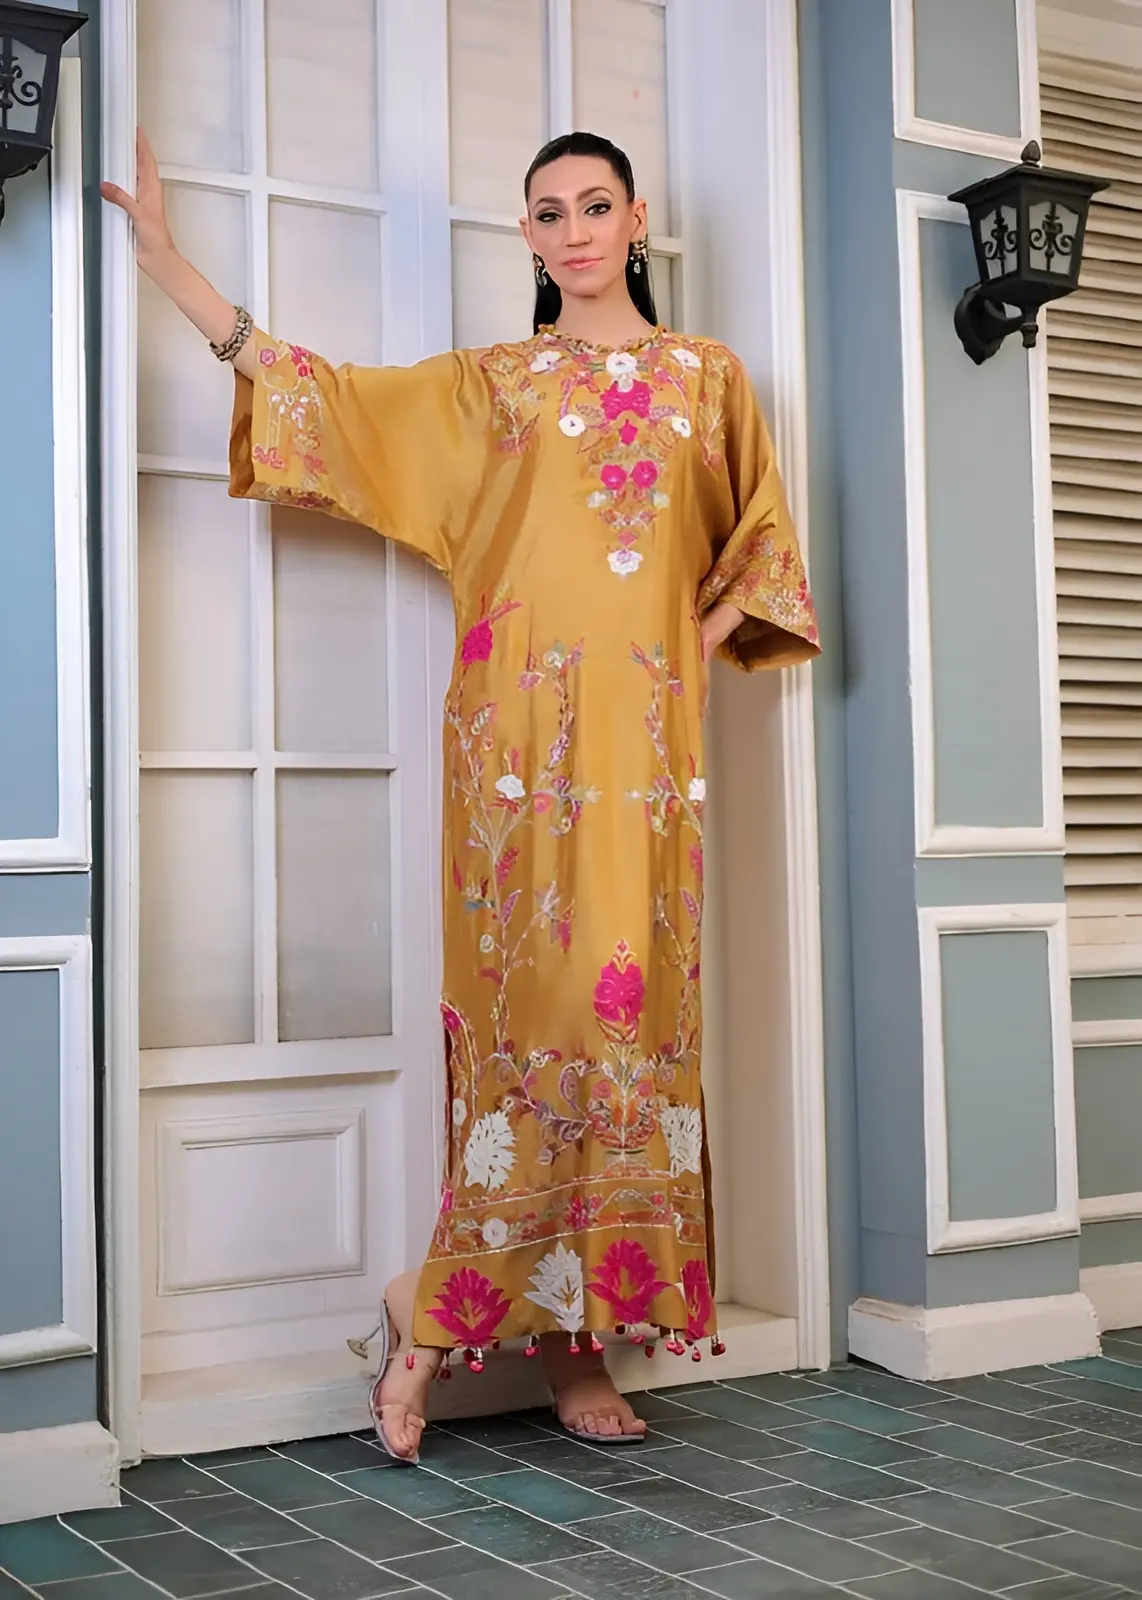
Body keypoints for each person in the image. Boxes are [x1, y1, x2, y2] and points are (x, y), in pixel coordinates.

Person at [103, 127, 819, 1464]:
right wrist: (168, 264)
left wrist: (682, 655)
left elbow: (761, 553)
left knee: (629, 1035)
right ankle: (446, 1326)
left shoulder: (710, 380)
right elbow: (322, 397)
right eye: (548, 212)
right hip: (514, 753)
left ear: (636, 218)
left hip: (647, 763)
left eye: (595, 205)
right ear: (528, 237)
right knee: (532, 1032)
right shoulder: (495, 386)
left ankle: (543, 1341)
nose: (574, 230)